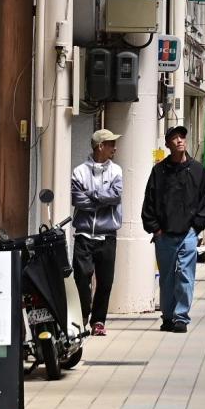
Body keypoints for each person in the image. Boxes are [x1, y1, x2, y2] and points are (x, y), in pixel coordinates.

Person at [142, 125, 205, 333]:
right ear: (167, 144)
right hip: (164, 234)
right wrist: (155, 229)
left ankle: (181, 317)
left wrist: (195, 228)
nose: (180, 140)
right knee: (166, 278)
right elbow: (149, 201)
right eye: (174, 138)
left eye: (182, 136)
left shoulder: (198, 170)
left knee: (185, 275)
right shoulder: (159, 171)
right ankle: (167, 316)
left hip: (188, 233)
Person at [71, 128, 123, 336]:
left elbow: (116, 196)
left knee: (105, 281)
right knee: (81, 278)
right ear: (100, 146)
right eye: (111, 144)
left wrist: (91, 194)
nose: (115, 148)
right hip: (84, 234)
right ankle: (83, 314)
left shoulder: (116, 171)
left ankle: (98, 321)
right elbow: (78, 200)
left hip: (107, 234)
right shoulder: (79, 171)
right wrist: (102, 198)